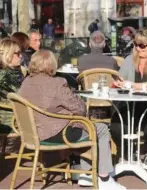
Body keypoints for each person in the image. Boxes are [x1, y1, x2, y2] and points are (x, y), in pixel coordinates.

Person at [18, 50, 126, 190]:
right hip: (57, 134)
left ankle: (86, 174)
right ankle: (104, 178)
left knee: (85, 127)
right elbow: (80, 108)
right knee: (101, 129)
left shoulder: (26, 82)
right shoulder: (57, 83)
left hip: (33, 134)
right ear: (51, 64)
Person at [111, 28, 147, 166]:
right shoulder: (130, 58)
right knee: (116, 127)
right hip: (131, 105)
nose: (138, 48)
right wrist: (118, 83)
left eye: (143, 45)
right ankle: (129, 151)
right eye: (136, 44)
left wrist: (131, 84)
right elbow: (121, 79)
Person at [0, 38, 24, 134]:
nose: (21, 56)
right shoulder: (1, 74)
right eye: (18, 53)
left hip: (15, 115)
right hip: (9, 120)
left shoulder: (15, 71)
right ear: (8, 55)